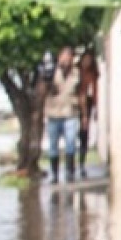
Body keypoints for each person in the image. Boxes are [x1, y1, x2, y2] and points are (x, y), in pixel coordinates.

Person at [42, 48, 81, 182]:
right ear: (59, 58)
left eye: (69, 56)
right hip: (54, 113)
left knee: (70, 143)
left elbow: (80, 92)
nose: (66, 59)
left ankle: (70, 172)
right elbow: (44, 90)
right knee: (53, 146)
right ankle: (54, 174)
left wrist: (84, 113)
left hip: (70, 113)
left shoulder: (76, 73)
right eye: (63, 56)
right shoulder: (51, 71)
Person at [75, 48, 100, 177]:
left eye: (89, 60)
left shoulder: (93, 74)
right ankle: (73, 164)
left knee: (84, 134)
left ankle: (81, 163)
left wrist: (96, 109)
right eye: (85, 59)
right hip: (76, 104)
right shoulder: (77, 72)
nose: (87, 62)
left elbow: (95, 92)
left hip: (88, 104)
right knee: (74, 133)